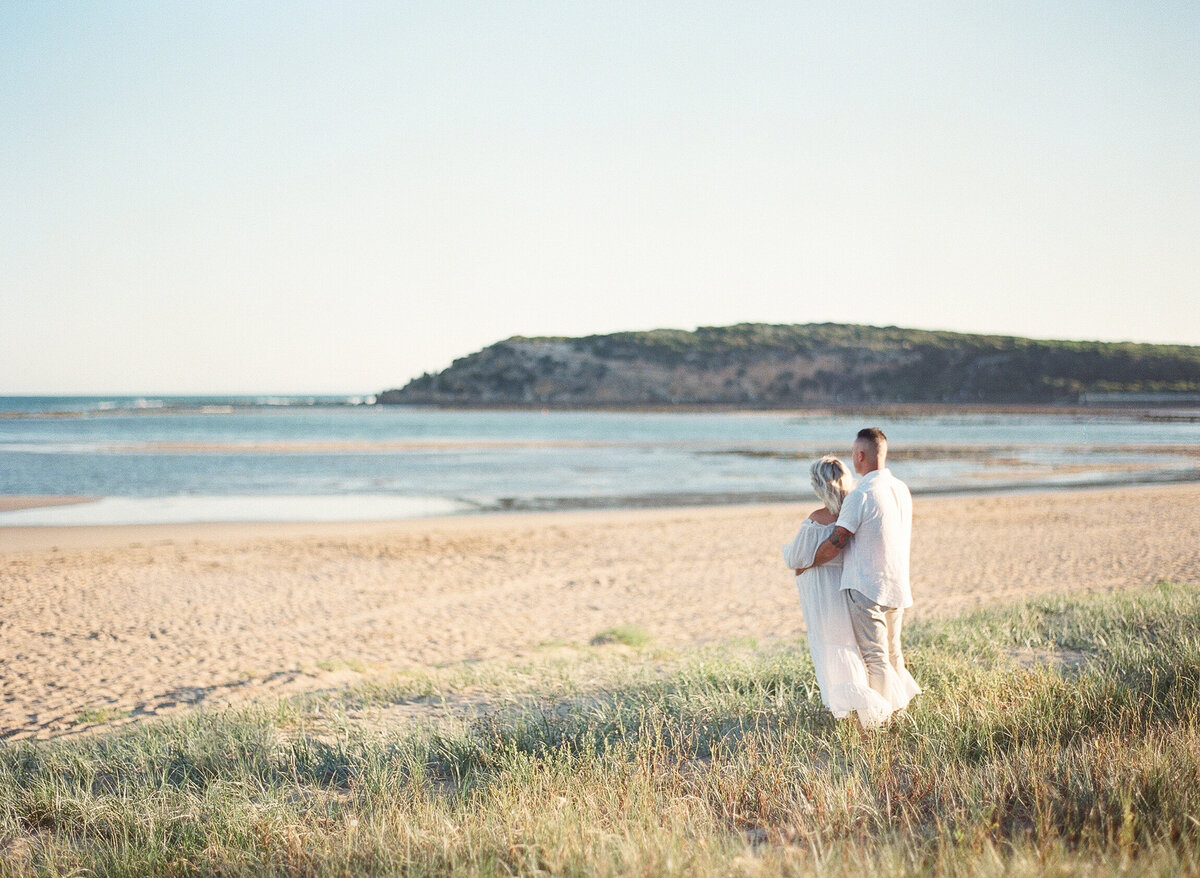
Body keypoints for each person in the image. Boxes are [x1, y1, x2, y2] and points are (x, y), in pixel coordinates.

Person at [794, 428, 920, 712]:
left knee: (875, 658)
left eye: (854, 454)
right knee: (893, 654)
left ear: (860, 456)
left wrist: (807, 562)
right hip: (898, 584)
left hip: (868, 589)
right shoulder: (900, 488)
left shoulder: (861, 494)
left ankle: (883, 719)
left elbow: (837, 541)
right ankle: (901, 711)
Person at [782, 455, 895, 727]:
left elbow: (793, 558)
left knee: (833, 646)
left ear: (818, 486)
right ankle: (864, 709)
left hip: (824, 592)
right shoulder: (853, 511)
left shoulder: (817, 519)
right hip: (850, 585)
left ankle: (861, 707)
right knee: (852, 646)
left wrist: (806, 563)